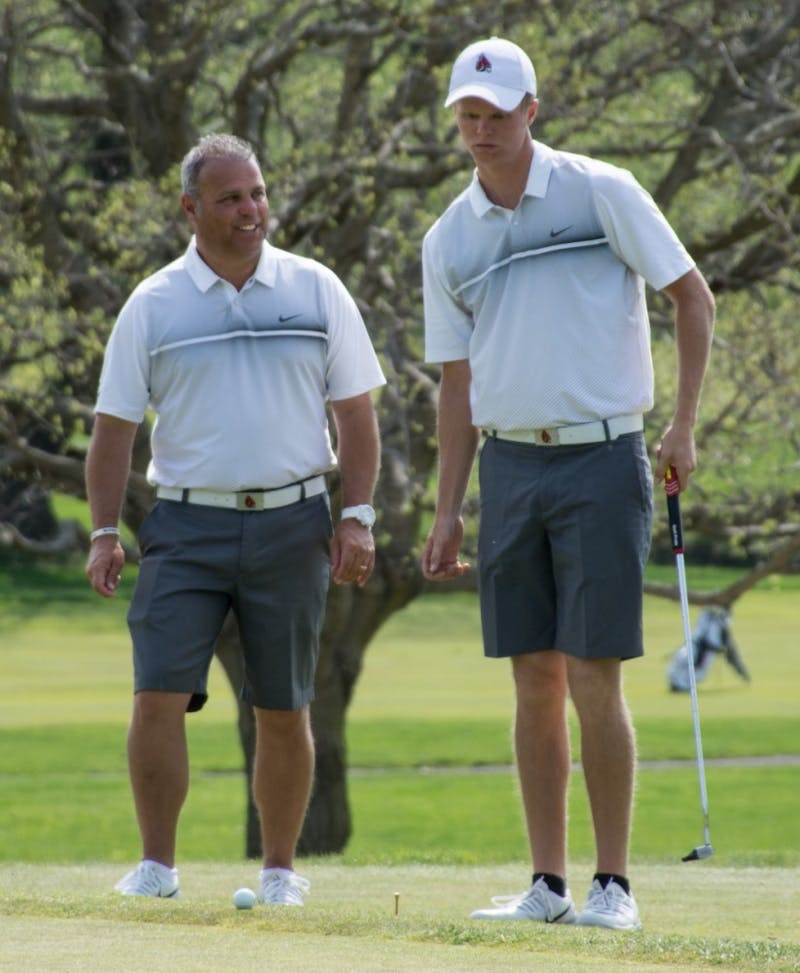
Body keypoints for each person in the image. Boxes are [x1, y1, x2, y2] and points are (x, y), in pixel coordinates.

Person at [421, 38, 714, 930]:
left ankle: (612, 885)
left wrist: (682, 424)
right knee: (532, 680)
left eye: (496, 115)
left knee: (594, 676)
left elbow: (692, 296)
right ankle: (546, 884)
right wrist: (447, 509)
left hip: (601, 457)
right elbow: (456, 383)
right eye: (468, 117)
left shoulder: (601, 190)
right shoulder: (449, 236)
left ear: (532, 111)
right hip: (509, 466)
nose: (480, 131)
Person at [85, 133, 385, 904]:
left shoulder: (315, 288)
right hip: (185, 525)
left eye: (256, 193)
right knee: (157, 693)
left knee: (283, 703)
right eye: (230, 198)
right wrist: (103, 530)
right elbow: (113, 427)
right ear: (190, 208)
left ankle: (280, 870)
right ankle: (157, 866)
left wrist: (356, 515)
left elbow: (355, 413)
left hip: (293, 523)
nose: (250, 210)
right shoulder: (153, 304)